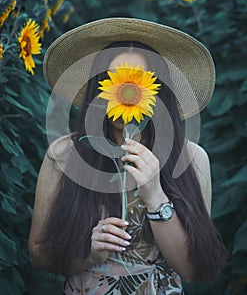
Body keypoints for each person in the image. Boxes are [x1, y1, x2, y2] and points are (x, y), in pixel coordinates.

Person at [28, 18, 227, 294]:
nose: (125, 94)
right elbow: (38, 253)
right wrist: (89, 253)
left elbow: (192, 270)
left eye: (137, 84)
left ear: (158, 92)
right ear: (99, 89)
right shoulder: (64, 155)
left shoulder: (192, 159)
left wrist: (155, 193)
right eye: (116, 82)